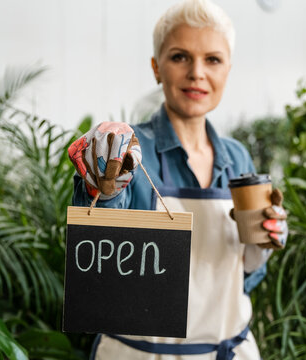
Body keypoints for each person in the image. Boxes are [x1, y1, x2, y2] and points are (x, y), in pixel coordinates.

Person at [68, 0, 288, 358]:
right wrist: (101, 182)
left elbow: (243, 277)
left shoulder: (238, 159)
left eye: (213, 59)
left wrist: (265, 240)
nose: (197, 72)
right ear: (157, 68)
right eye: (180, 57)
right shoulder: (128, 154)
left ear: (228, 69)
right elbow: (97, 248)